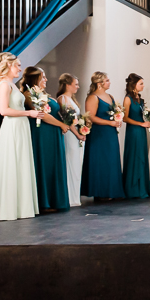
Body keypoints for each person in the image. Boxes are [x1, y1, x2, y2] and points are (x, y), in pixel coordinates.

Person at [0, 53, 42, 221]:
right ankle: (11, 208)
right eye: (17, 65)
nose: (20, 68)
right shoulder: (4, 85)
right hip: (13, 127)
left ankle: (22, 207)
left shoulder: (12, 84)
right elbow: (3, 110)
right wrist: (29, 113)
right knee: (14, 162)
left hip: (20, 126)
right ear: (8, 66)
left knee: (21, 163)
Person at [21, 66, 70, 212]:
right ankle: (45, 201)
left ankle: (55, 200)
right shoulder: (29, 95)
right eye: (43, 77)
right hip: (42, 134)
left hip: (53, 133)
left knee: (54, 164)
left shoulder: (42, 94)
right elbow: (42, 114)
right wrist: (61, 125)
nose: (46, 79)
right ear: (34, 79)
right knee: (46, 164)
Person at [80, 72, 125, 201]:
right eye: (107, 80)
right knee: (100, 161)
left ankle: (111, 191)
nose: (109, 82)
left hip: (110, 133)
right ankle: (99, 192)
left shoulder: (110, 96)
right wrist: (110, 122)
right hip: (98, 133)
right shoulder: (93, 97)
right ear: (100, 83)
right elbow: (91, 117)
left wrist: (117, 119)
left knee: (111, 160)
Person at [57, 73, 86, 207]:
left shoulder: (70, 99)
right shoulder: (63, 99)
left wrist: (83, 130)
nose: (78, 87)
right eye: (76, 84)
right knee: (71, 163)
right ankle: (69, 197)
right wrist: (77, 134)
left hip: (76, 134)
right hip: (70, 134)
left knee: (77, 164)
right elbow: (67, 120)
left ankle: (75, 196)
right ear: (67, 85)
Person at [122, 73, 150, 199]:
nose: (143, 86)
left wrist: (149, 118)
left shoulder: (140, 99)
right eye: (141, 83)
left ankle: (142, 188)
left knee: (142, 156)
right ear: (134, 85)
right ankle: (132, 189)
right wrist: (141, 124)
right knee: (134, 156)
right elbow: (125, 118)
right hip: (133, 131)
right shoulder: (128, 99)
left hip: (141, 131)